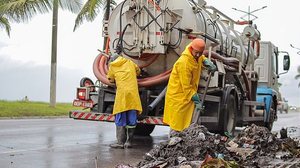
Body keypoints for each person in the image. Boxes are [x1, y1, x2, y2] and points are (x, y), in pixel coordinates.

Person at [163, 38, 216, 132]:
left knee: (186, 126)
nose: (198, 55)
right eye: (196, 52)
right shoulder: (184, 63)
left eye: (200, 53)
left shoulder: (196, 55)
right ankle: (173, 143)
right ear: (191, 48)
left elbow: (200, 58)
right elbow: (186, 87)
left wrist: (206, 61)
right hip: (178, 97)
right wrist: (197, 101)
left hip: (186, 97)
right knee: (177, 127)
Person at [107, 54, 142, 148]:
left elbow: (110, 79)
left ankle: (120, 143)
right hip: (133, 95)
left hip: (122, 95)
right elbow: (138, 71)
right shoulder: (130, 62)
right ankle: (129, 142)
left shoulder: (113, 66)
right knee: (132, 119)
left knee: (120, 118)